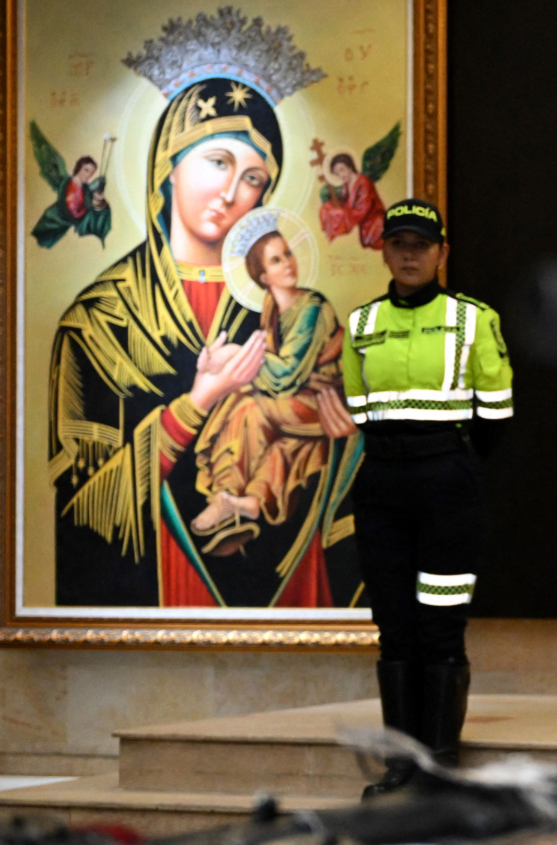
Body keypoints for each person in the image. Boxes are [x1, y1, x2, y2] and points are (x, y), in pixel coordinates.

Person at [48, 72, 361, 608]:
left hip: (284, 596)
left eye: (253, 178)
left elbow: (334, 429)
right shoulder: (96, 322)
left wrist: (345, 443)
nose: (231, 192)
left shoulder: (285, 310)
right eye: (217, 162)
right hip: (153, 596)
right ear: (168, 166)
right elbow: (82, 503)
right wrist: (194, 407)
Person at [342, 199, 514, 797]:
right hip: (381, 484)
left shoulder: (473, 319)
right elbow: (360, 411)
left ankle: (438, 767)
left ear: (442, 253)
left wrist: (450, 463)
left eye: (422, 245)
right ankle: (400, 766)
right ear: (384, 252)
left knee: (440, 625)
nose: (409, 255)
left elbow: (496, 415)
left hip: (447, 483)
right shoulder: (361, 324)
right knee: (394, 625)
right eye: (399, 244)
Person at [191, 225, 356, 556]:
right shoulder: (272, 309)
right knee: (283, 447)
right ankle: (245, 503)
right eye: (277, 260)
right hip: (297, 408)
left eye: (288, 254)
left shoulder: (312, 308)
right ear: (263, 276)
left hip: (325, 403)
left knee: (247, 408)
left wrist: (234, 354)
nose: (289, 263)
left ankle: (224, 493)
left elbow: (285, 376)